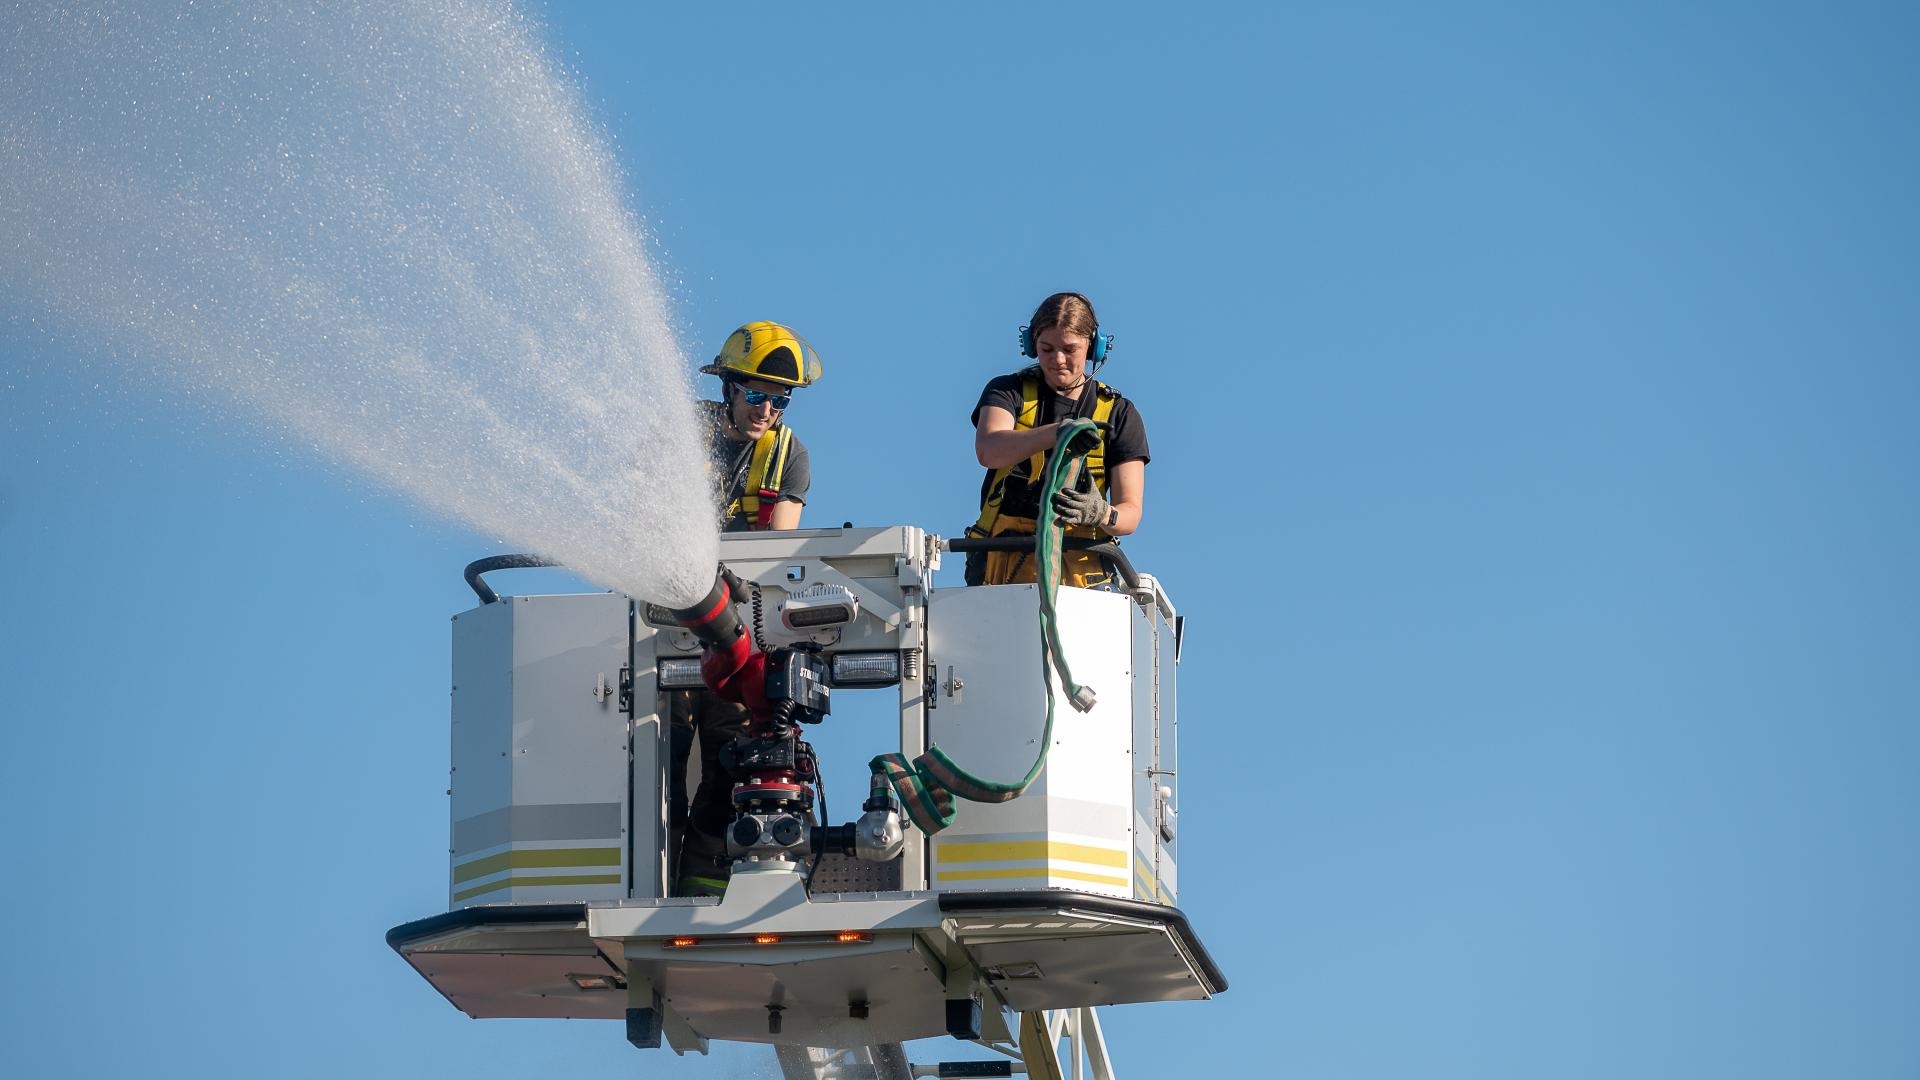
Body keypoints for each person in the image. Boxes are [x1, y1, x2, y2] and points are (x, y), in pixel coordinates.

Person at [670, 320, 823, 896]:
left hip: (737, 633)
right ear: (729, 389)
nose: (767, 410)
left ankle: (702, 890)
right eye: (756, 394)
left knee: (729, 760)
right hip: (666, 624)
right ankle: (653, 878)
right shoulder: (683, 432)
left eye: (778, 399)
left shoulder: (791, 455)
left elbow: (776, 555)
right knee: (667, 753)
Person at [967, 292, 1149, 587]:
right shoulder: (1007, 392)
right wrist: (1058, 432)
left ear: (1093, 347)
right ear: (1031, 346)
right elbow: (989, 450)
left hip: (1085, 573)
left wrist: (1101, 512)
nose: (1058, 360)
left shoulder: (1118, 413)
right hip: (1003, 566)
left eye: (1069, 349)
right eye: (1047, 349)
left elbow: (1130, 514)